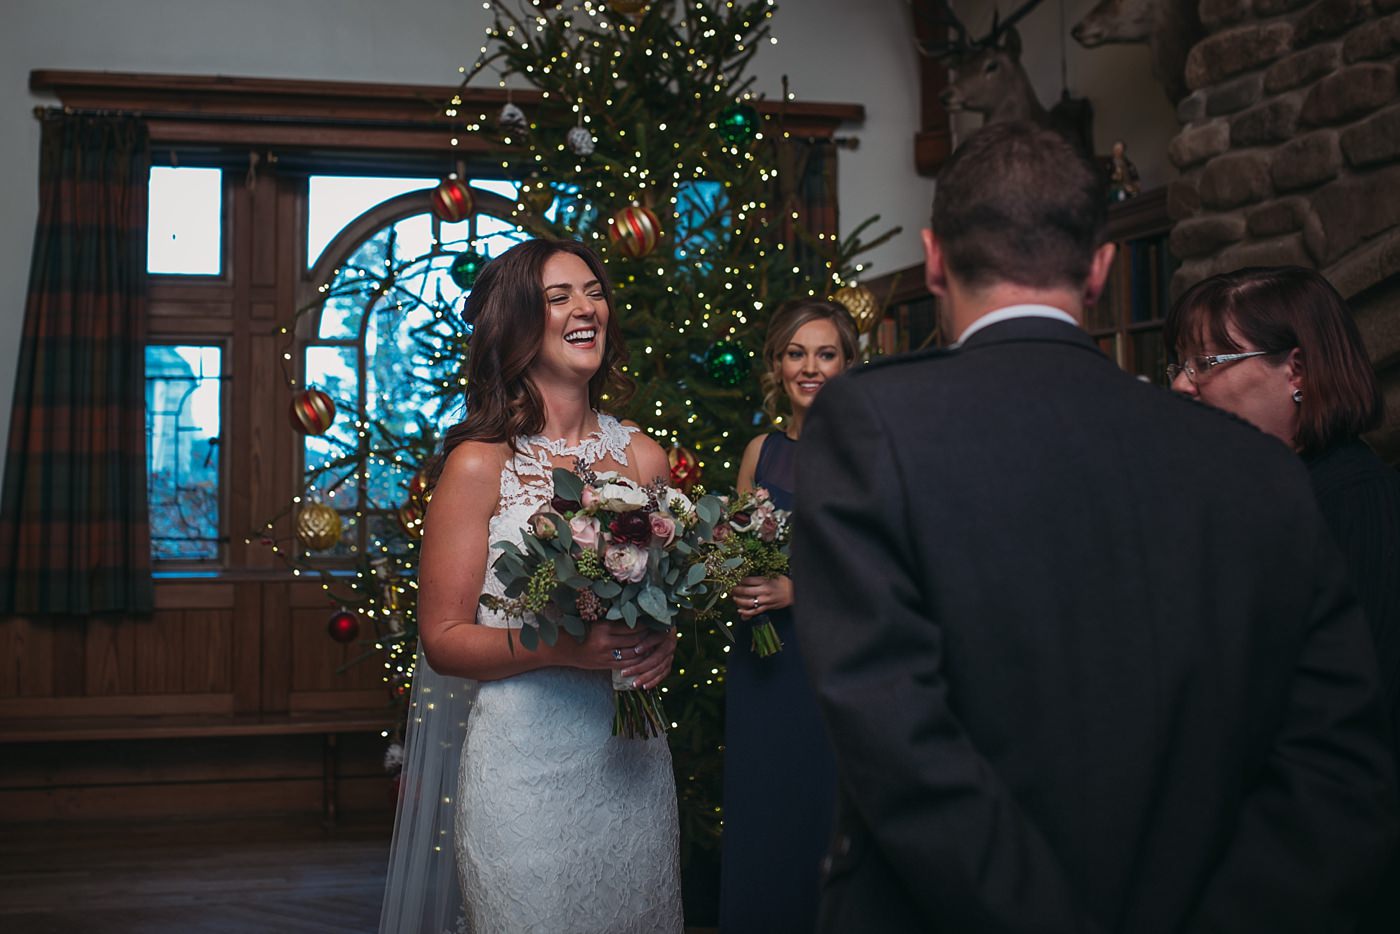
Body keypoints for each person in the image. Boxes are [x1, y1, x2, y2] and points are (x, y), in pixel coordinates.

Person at [792, 120, 1398, 933]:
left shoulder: (869, 424)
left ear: (934, 259)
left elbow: (899, 742)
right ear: (1102, 269)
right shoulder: (1255, 464)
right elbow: (1337, 764)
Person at [378, 239, 683, 934]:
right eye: (559, 297)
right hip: (523, 774)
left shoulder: (643, 456)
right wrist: (563, 650)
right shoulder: (480, 466)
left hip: (630, 764)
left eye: (594, 292)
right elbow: (444, 641)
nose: (586, 308)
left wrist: (660, 641)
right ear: (519, 324)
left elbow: (656, 595)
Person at [1166, 265, 1400, 932]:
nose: (1183, 384)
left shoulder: (1353, 503)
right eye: (1180, 363)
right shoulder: (1269, 500)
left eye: (1206, 361)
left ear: (1295, 370)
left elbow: (1350, 736)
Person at [721, 298, 858, 933]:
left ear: (848, 363)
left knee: (822, 815)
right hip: (762, 663)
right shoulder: (762, 452)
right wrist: (735, 579)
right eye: (796, 353)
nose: (811, 368)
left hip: (833, 667)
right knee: (763, 812)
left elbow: (888, 573)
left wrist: (795, 591)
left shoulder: (870, 454)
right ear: (777, 365)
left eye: (825, 353)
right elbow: (735, 551)